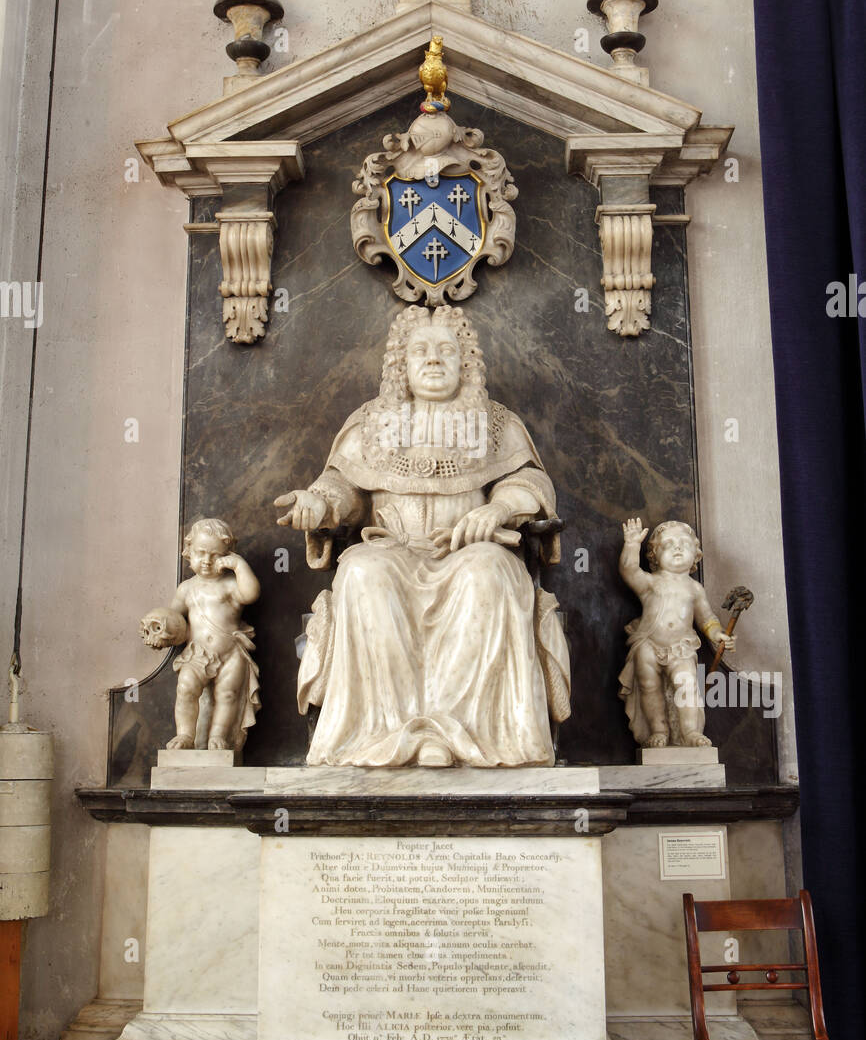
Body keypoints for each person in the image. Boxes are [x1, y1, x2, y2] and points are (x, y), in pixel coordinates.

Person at [274, 305, 570, 767]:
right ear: (401, 366)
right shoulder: (371, 423)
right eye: (421, 351)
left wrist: (499, 508)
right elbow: (343, 485)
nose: (433, 360)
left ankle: (458, 735)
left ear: (465, 364)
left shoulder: (494, 423)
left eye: (447, 351)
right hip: (392, 551)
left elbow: (531, 482)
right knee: (360, 572)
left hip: (466, 553)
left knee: (490, 573)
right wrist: (318, 503)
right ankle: (381, 734)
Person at [140, 518, 261, 751]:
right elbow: (174, 618)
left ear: (227, 555)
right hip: (197, 654)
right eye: (201, 553)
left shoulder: (229, 584)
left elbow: (251, 594)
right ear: (189, 552)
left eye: (215, 555)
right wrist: (160, 632)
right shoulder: (186, 588)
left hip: (231, 654)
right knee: (185, 688)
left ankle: (219, 736)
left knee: (228, 695)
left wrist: (239, 566)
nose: (207, 560)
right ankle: (186, 735)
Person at [617, 518, 734, 749]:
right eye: (669, 544)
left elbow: (706, 618)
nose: (678, 547)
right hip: (648, 644)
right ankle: (658, 730)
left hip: (682, 646)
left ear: (696, 554)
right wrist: (631, 545)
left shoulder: (694, 588)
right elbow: (629, 570)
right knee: (649, 686)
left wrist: (718, 634)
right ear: (654, 555)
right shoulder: (651, 583)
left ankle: (690, 731)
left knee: (687, 684)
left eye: (684, 543)